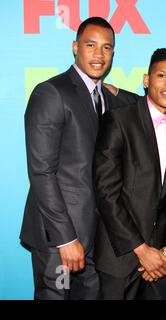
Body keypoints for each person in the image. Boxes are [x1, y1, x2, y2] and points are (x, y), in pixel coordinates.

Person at [20, 17, 130, 299]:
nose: (99, 54)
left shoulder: (106, 97)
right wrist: (65, 238)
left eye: (107, 48)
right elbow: (42, 172)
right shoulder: (52, 92)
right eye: (91, 45)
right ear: (75, 47)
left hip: (95, 238)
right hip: (59, 240)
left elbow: (146, 104)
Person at [93, 48, 166, 300]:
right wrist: (142, 251)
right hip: (120, 258)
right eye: (162, 75)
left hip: (164, 262)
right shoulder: (119, 120)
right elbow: (106, 192)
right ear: (146, 80)